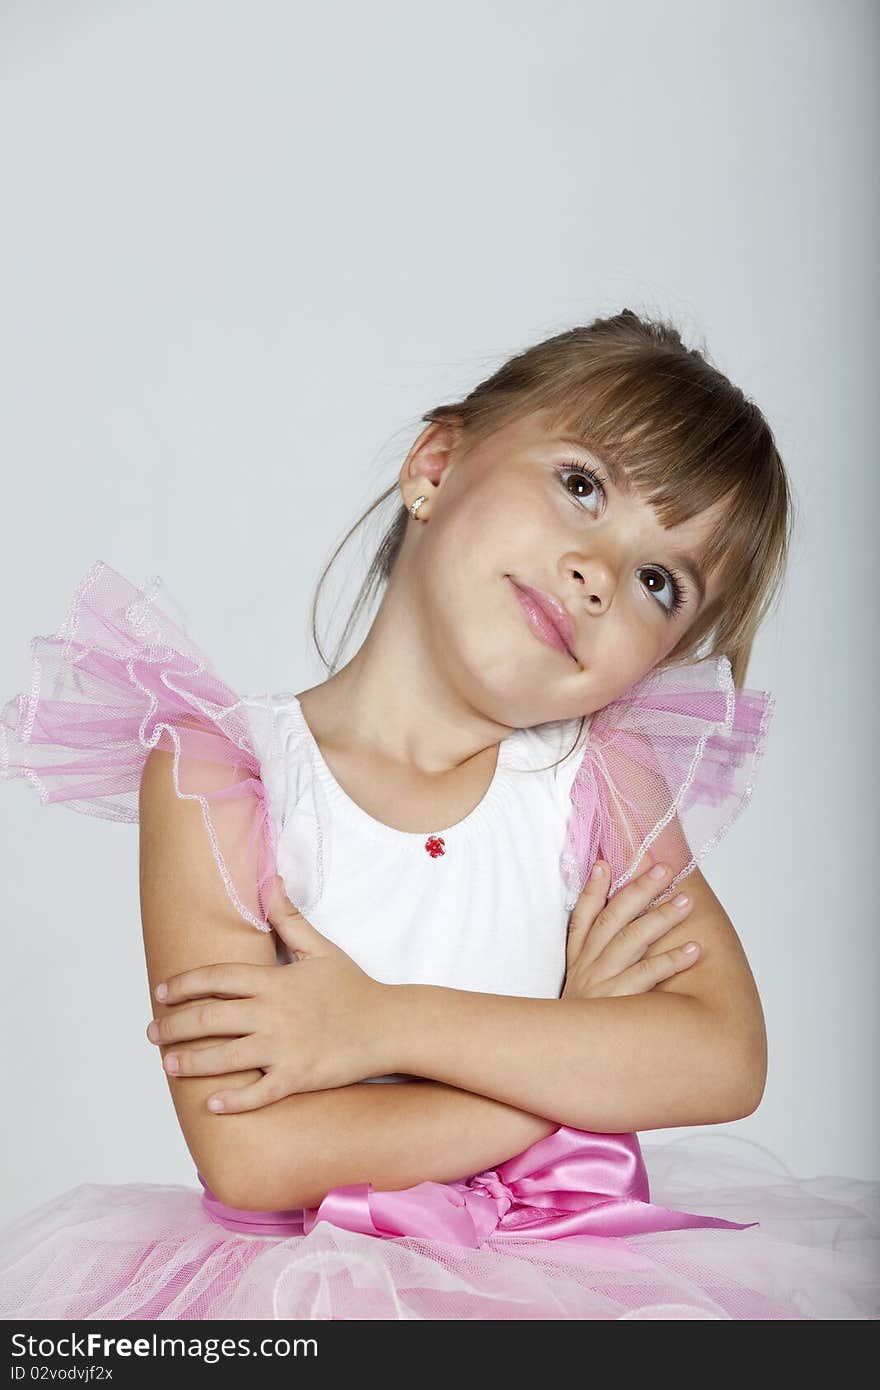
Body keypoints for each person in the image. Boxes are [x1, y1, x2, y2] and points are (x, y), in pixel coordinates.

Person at [1, 310, 877, 1320]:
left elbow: (722, 1059)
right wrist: (574, 1058)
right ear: (436, 464)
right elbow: (255, 1153)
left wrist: (376, 1023)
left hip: (579, 1279)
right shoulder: (222, 772)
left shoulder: (598, 779)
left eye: (657, 582)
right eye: (582, 485)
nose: (597, 574)